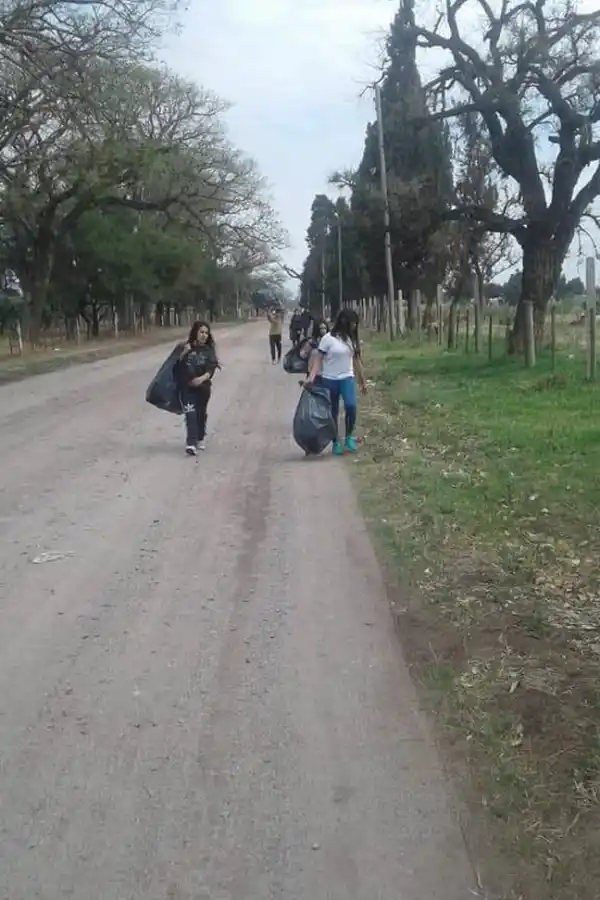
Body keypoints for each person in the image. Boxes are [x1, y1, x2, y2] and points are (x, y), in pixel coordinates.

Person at [304, 308, 367, 456]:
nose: (355, 326)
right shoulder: (328, 339)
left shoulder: (352, 339)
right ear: (345, 322)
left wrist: (362, 382)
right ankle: (336, 441)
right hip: (330, 379)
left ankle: (349, 437)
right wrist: (311, 377)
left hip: (347, 378)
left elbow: (357, 361)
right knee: (333, 412)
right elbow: (318, 360)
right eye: (353, 323)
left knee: (351, 406)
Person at [179, 320, 219, 456]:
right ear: (195, 332)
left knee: (200, 414)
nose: (204, 335)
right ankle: (191, 443)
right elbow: (176, 366)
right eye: (201, 332)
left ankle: (200, 437)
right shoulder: (186, 347)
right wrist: (184, 353)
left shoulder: (209, 351)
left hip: (203, 388)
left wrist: (200, 379)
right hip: (187, 388)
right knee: (190, 414)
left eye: (206, 333)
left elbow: (210, 370)